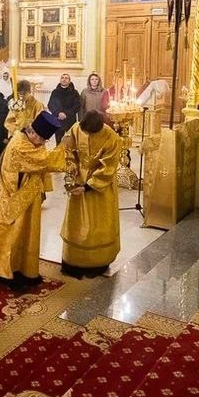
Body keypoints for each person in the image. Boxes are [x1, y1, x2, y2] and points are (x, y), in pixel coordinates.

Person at [0, 112, 68, 290]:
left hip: (25, 195)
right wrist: (63, 148)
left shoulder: (26, 140)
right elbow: (44, 160)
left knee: (26, 233)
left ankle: (23, 269)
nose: (43, 144)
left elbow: (39, 157)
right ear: (34, 134)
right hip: (14, 199)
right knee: (13, 234)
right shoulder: (20, 146)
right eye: (43, 141)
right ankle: (6, 271)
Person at [59, 110, 123, 278]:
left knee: (97, 224)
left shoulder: (111, 138)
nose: (86, 134)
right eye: (84, 131)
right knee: (76, 223)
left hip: (99, 188)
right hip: (78, 180)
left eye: (89, 133)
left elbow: (108, 167)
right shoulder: (76, 128)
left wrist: (88, 187)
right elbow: (68, 149)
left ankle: (97, 262)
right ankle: (72, 260)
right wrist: (71, 171)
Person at [47, 73, 81, 142]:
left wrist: (66, 114)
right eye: (62, 78)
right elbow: (51, 105)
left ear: (69, 81)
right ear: (60, 80)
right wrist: (58, 113)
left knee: (71, 141)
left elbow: (77, 106)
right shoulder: (55, 92)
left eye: (66, 78)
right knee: (58, 142)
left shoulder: (74, 92)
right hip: (58, 120)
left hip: (70, 120)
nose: (64, 79)